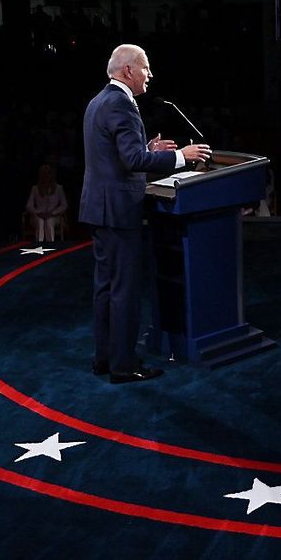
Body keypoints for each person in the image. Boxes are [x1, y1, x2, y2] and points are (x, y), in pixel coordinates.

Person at [80, 44, 211, 384]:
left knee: (106, 287)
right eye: (145, 68)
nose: (149, 75)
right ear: (127, 71)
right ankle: (123, 366)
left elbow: (120, 154)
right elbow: (133, 162)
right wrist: (181, 156)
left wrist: (148, 149)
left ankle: (104, 359)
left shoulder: (98, 102)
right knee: (123, 290)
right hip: (120, 211)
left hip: (99, 208)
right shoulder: (122, 104)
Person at [26, 164, 68, 242]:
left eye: (48, 173)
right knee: (40, 221)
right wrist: (38, 212)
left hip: (54, 216)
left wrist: (52, 213)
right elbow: (29, 205)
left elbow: (64, 205)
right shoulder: (35, 188)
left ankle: (50, 246)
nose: (46, 176)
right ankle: (39, 245)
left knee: (49, 222)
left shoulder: (59, 188)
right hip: (38, 215)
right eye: (44, 173)